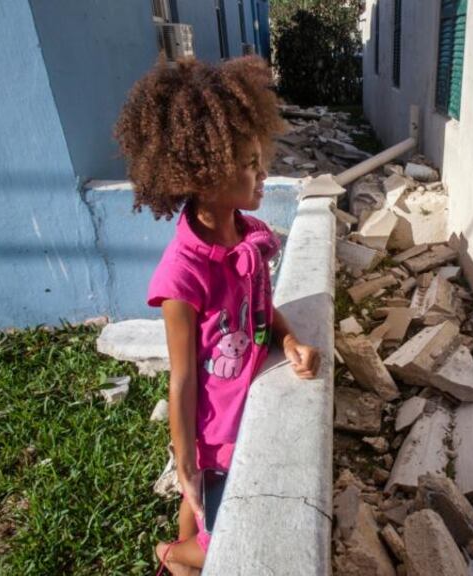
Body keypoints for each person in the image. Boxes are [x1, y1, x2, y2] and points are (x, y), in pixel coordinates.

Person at [114, 56, 321, 576]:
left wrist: (289, 339)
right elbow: (181, 381)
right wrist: (184, 464)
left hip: (239, 416)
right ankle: (170, 555)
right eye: (250, 164)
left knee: (200, 508)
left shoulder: (246, 234)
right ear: (204, 177)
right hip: (214, 433)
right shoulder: (182, 277)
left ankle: (182, 547)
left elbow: (259, 309)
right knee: (216, 543)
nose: (263, 172)